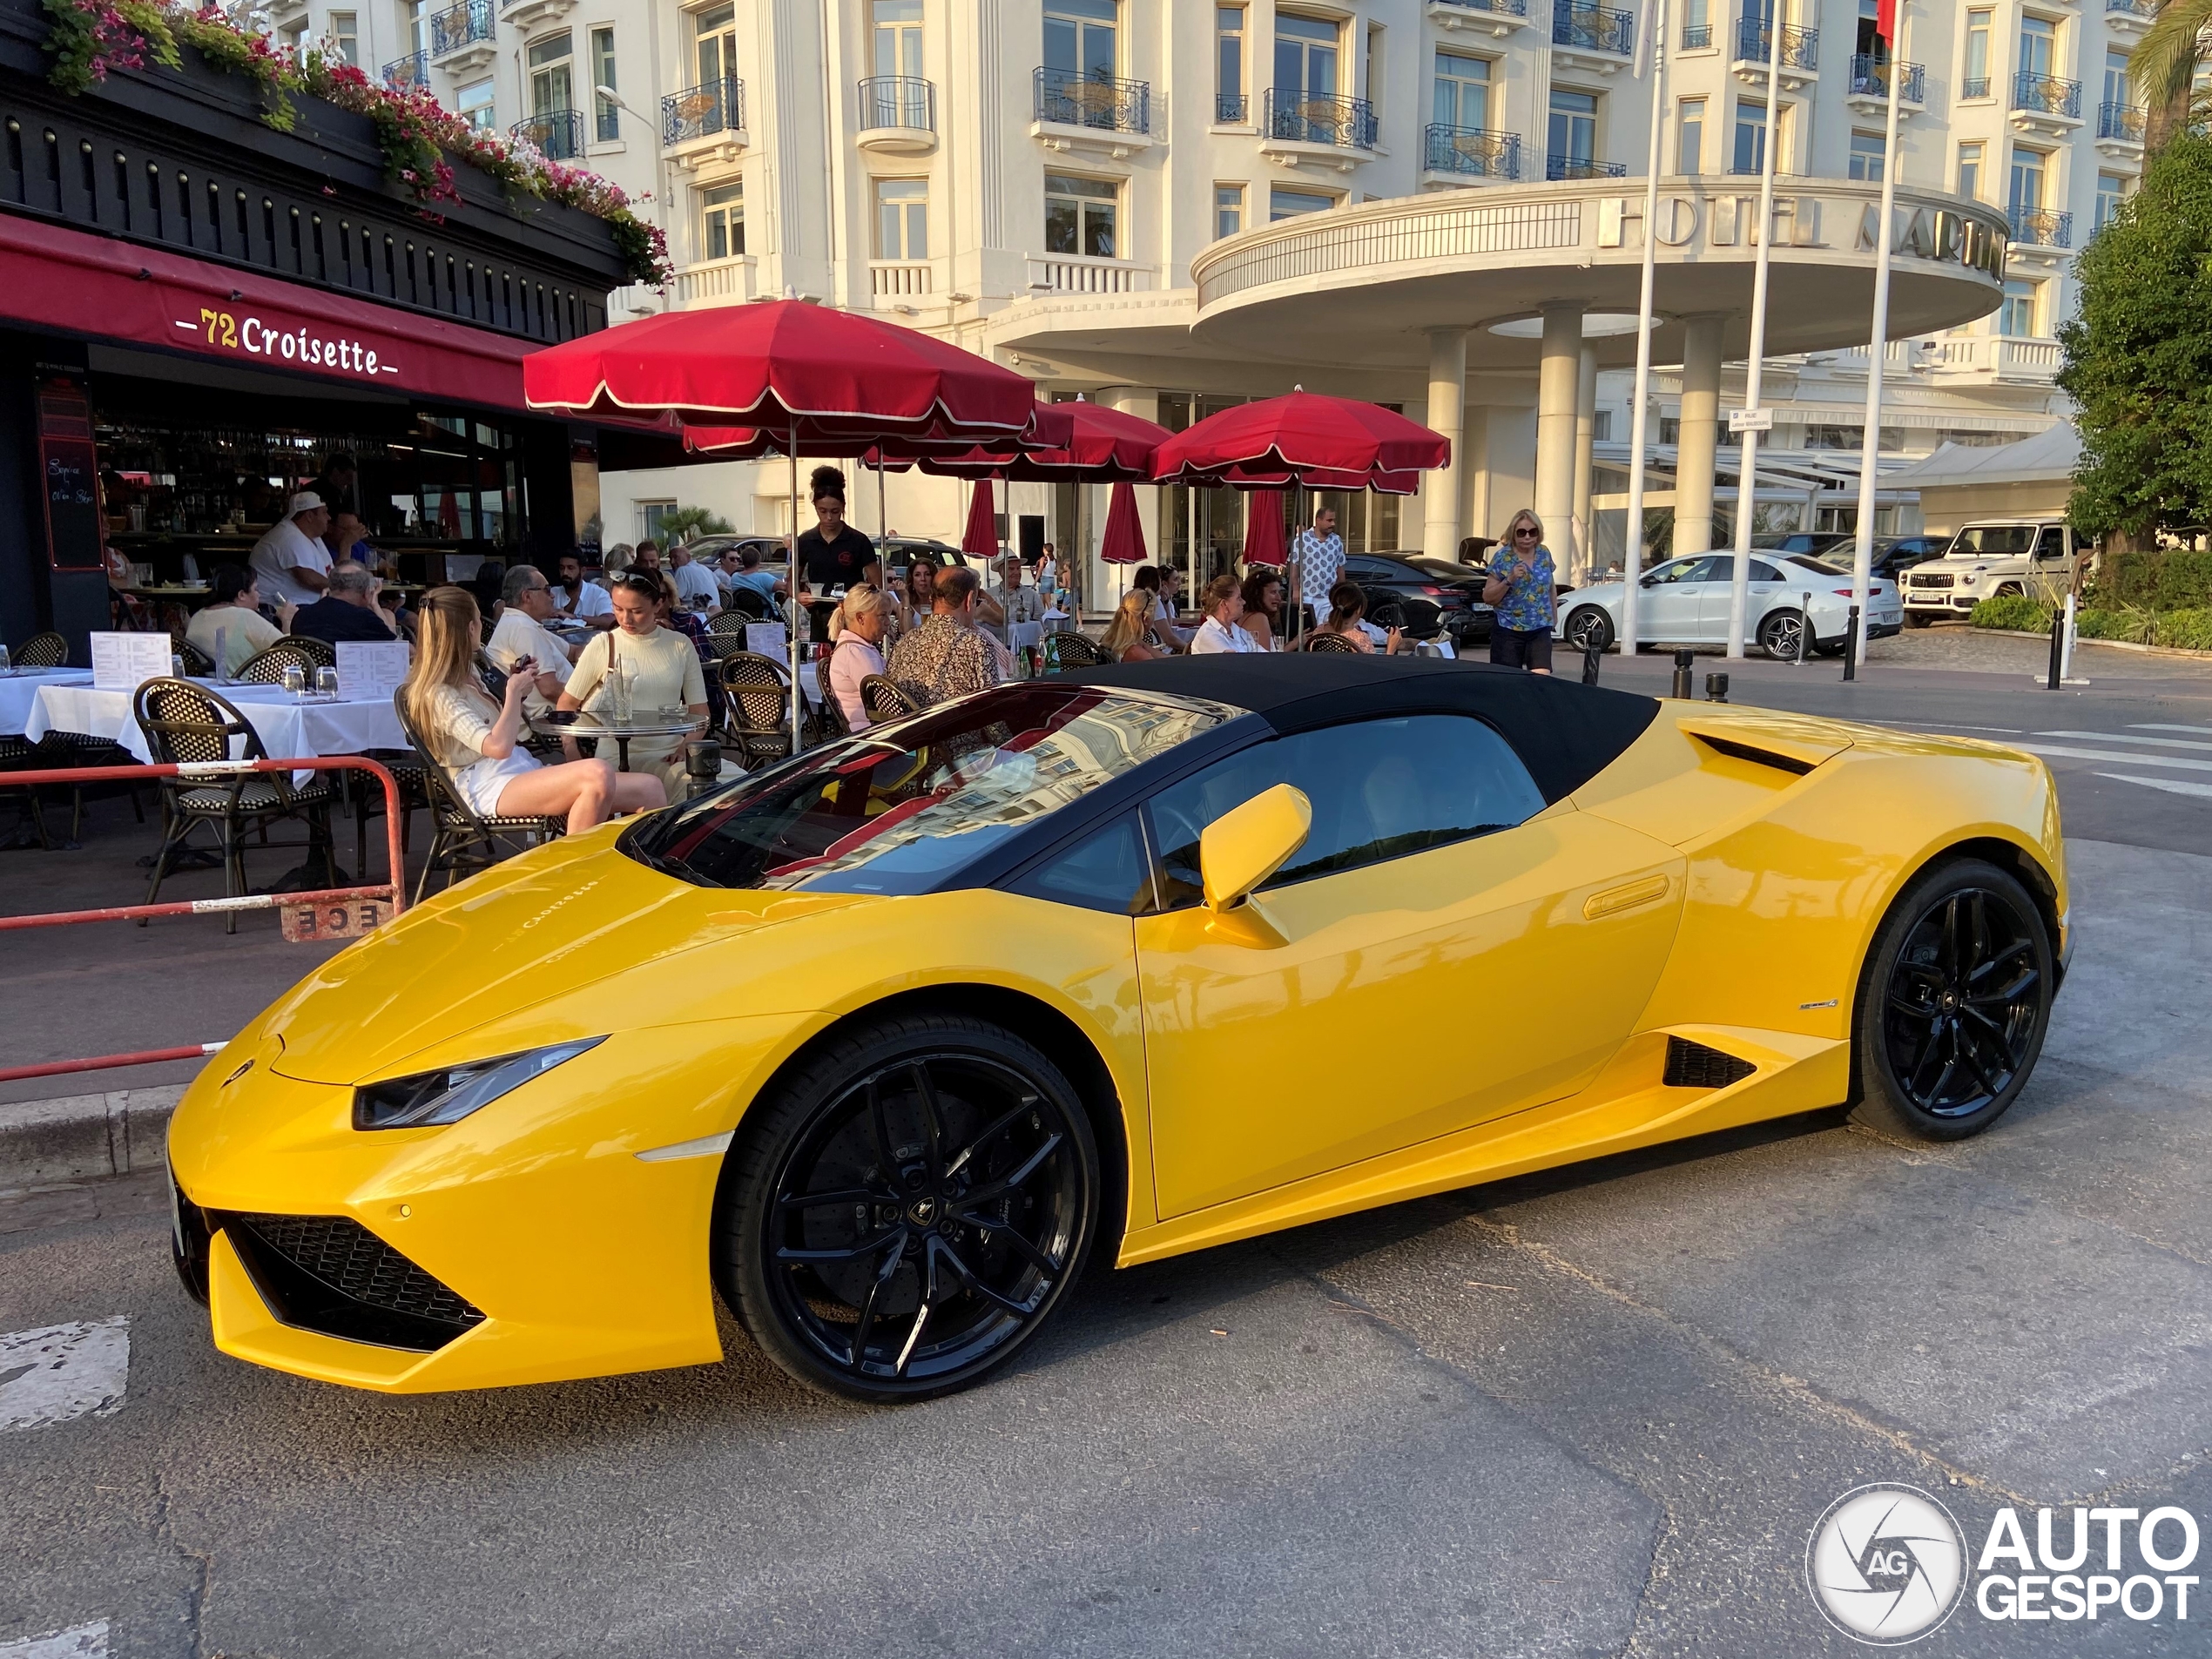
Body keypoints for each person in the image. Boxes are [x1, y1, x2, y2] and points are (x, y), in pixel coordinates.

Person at [403, 587, 664, 833]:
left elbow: (502, 733)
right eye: (478, 621)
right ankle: (573, 871)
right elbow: (497, 747)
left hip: (514, 769)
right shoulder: (439, 693)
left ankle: (634, 869)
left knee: (649, 788)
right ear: (471, 628)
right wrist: (514, 693)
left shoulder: (471, 672)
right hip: (484, 784)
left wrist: (516, 691)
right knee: (597, 773)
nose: (482, 627)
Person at [557, 570, 711, 795]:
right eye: (617, 608)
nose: (625, 619)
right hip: (618, 756)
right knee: (695, 788)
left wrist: (685, 746)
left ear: (658, 605)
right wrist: (572, 751)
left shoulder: (680, 645)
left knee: (735, 782)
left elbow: (701, 713)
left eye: (636, 611)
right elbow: (566, 704)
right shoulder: (603, 644)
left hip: (672, 754)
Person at [886, 565, 1003, 705]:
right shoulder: (975, 643)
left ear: (931, 599)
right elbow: (991, 707)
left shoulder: (905, 641)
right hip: (953, 725)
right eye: (975, 602)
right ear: (969, 599)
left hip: (908, 725)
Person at [486, 563, 579, 716]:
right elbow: (550, 690)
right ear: (527, 597)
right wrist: (592, 697)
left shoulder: (523, 623)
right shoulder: (523, 628)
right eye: (547, 590)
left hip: (562, 711)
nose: (552, 595)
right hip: (555, 719)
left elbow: (573, 651)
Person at [1484, 509, 1558, 674]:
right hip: (1509, 629)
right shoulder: (1503, 557)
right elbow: (1488, 597)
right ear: (1513, 534)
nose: (1527, 537)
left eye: (1532, 532)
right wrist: (1509, 579)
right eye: (1521, 533)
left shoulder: (1544, 553)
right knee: (1509, 682)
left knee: (1541, 679)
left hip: (1540, 627)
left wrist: (1553, 614)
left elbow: (1550, 585)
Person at [185, 563, 283, 676]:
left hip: (204, 689)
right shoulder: (245, 616)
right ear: (241, 595)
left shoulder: (197, 617)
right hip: (246, 689)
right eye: (255, 589)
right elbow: (290, 650)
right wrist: (287, 620)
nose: (258, 595)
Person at [795, 467, 876, 595]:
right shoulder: (805, 540)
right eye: (822, 511)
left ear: (843, 507)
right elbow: (792, 580)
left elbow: (876, 582)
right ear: (815, 507)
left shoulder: (858, 540)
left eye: (835, 511)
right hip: (817, 610)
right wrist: (799, 596)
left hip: (851, 611)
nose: (829, 518)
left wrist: (865, 598)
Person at [249, 491, 333, 608]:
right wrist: (343, 588)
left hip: (304, 607)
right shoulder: (288, 535)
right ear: (309, 516)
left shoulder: (313, 537)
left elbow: (332, 572)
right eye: (324, 513)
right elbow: (309, 578)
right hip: (277, 610)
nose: (329, 517)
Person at [289, 561, 401, 644]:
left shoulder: (302, 615)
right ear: (367, 592)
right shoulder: (363, 618)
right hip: (350, 675)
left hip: (311, 674)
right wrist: (375, 605)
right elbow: (397, 649)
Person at [828, 584, 890, 731]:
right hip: (873, 733)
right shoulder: (856, 653)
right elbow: (884, 701)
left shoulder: (856, 648)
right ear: (861, 618)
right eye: (882, 615)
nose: (888, 622)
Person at [1310, 579, 1406, 654]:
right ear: (1359, 609)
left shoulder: (1319, 631)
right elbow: (1374, 672)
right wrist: (1390, 650)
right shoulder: (1360, 638)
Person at [1291, 504, 1346, 626]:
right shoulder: (1302, 540)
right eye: (1329, 520)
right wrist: (1295, 590)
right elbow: (1294, 565)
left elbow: (1340, 568)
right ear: (1318, 520)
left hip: (1329, 596)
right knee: (1309, 629)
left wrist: (1342, 593)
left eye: (1334, 520)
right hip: (1307, 595)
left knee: (1328, 630)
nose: (1333, 524)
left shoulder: (1336, 540)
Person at [1190, 573, 1262, 654]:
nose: (1244, 602)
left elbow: (1262, 654)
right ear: (1224, 604)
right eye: (1238, 598)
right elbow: (1232, 662)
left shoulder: (1237, 631)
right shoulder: (1208, 634)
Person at [1097, 590, 1166, 663]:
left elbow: (1165, 659)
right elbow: (1161, 669)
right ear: (1146, 619)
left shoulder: (1117, 640)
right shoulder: (1135, 652)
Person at [551, 552, 616, 629]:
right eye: (562, 568)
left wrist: (574, 617)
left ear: (583, 571)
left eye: (570, 568)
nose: (565, 573)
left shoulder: (598, 593)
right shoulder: (553, 593)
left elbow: (610, 621)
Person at [991, 554, 1043, 639]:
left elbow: (1040, 624)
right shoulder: (990, 594)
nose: (1017, 572)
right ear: (1001, 572)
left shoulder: (1031, 594)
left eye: (1019, 568)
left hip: (1025, 646)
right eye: (1011, 569)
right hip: (997, 645)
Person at [667, 542, 721, 613]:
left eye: (676, 557)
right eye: (670, 558)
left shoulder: (682, 570)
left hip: (696, 617)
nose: (672, 562)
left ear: (688, 557)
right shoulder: (704, 568)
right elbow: (722, 587)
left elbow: (675, 599)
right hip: (717, 617)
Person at [1238, 570, 1284, 651]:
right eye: (1273, 592)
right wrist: (1295, 643)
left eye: (1279, 592)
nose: (1279, 598)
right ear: (1258, 593)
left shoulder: (1248, 615)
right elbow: (1266, 657)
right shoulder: (1259, 618)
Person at [308, 451, 358, 519]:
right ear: (335, 472)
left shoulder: (341, 492)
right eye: (348, 477)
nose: (350, 482)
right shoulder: (313, 491)